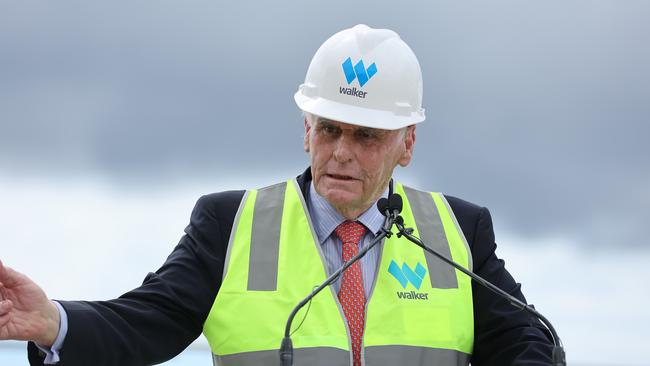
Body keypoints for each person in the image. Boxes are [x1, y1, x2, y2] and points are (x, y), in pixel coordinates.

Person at [0, 24, 553, 365]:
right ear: (306, 129)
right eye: (330, 129)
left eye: (366, 136)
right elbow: (146, 323)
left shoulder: (459, 230)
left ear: (406, 144)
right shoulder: (229, 223)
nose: (341, 152)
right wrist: (53, 321)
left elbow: (529, 340)